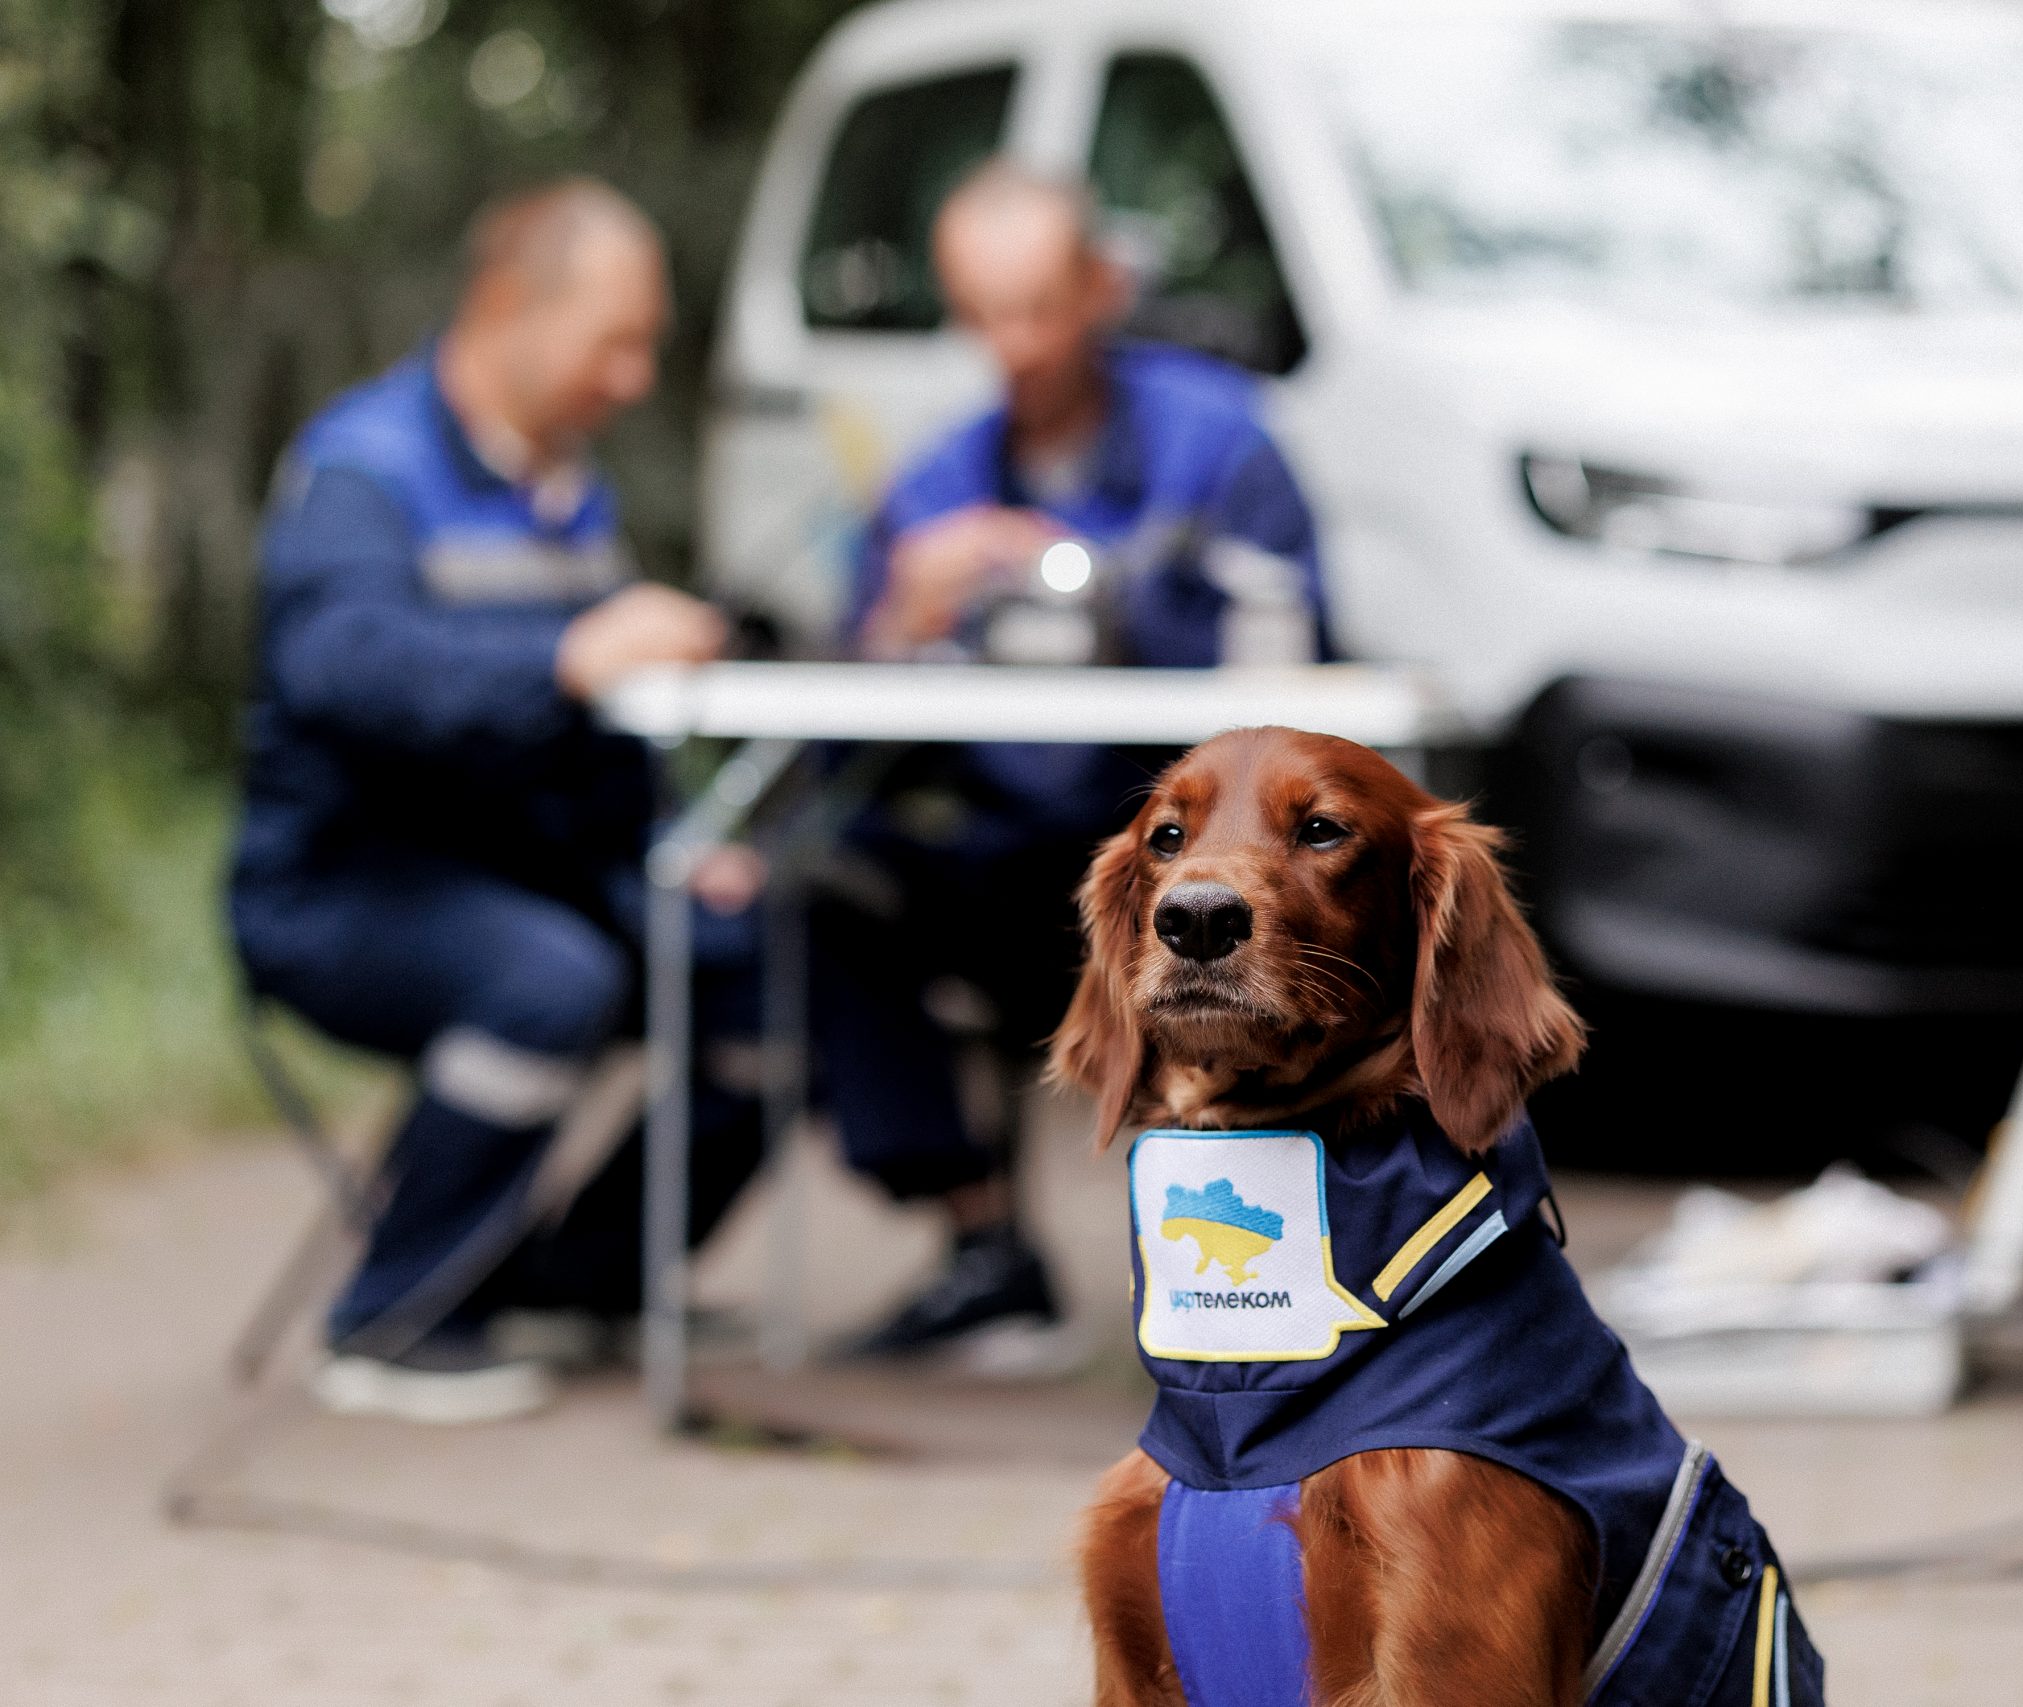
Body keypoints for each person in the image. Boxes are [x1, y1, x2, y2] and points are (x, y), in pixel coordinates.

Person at [230, 180, 770, 1424]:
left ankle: (572, 1283)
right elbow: (339, 670)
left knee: (751, 959)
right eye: (615, 340)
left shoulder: (572, 491)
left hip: (534, 869)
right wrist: (563, 657)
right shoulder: (362, 468)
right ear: (509, 309)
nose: (635, 376)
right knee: (549, 977)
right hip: (344, 886)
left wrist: (674, 846)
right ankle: (393, 1320)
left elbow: (595, 740)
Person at [817, 161, 1329, 1362]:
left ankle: (1267, 1285)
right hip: (1014, 852)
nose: (1017, 344)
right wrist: (901, 614)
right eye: (985, 314)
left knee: (1234, 897)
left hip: (1187, 860)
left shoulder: (1220, 445)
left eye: (1040, 306)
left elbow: (1309, 678)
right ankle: (981, 1244)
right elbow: (840, 720)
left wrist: (1104, 586)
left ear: (1101, 287)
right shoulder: (935, 479)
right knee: (826, 880)